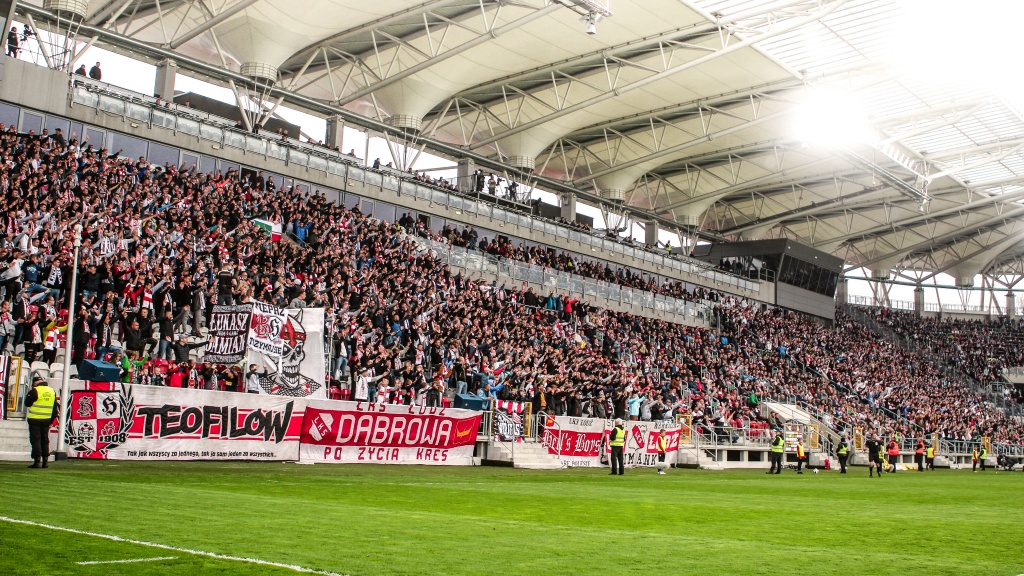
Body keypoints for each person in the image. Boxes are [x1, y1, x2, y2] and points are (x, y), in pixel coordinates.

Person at [25, 376, 57, 469]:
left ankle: (37, 460)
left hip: (35, 419)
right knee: (45, 440)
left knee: (36, 440)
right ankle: (45, 461)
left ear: (35, 383)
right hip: (46, 420)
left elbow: (27, 403)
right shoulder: (52, 391)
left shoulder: (35, 391)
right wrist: (52, 420)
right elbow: (54, 407)